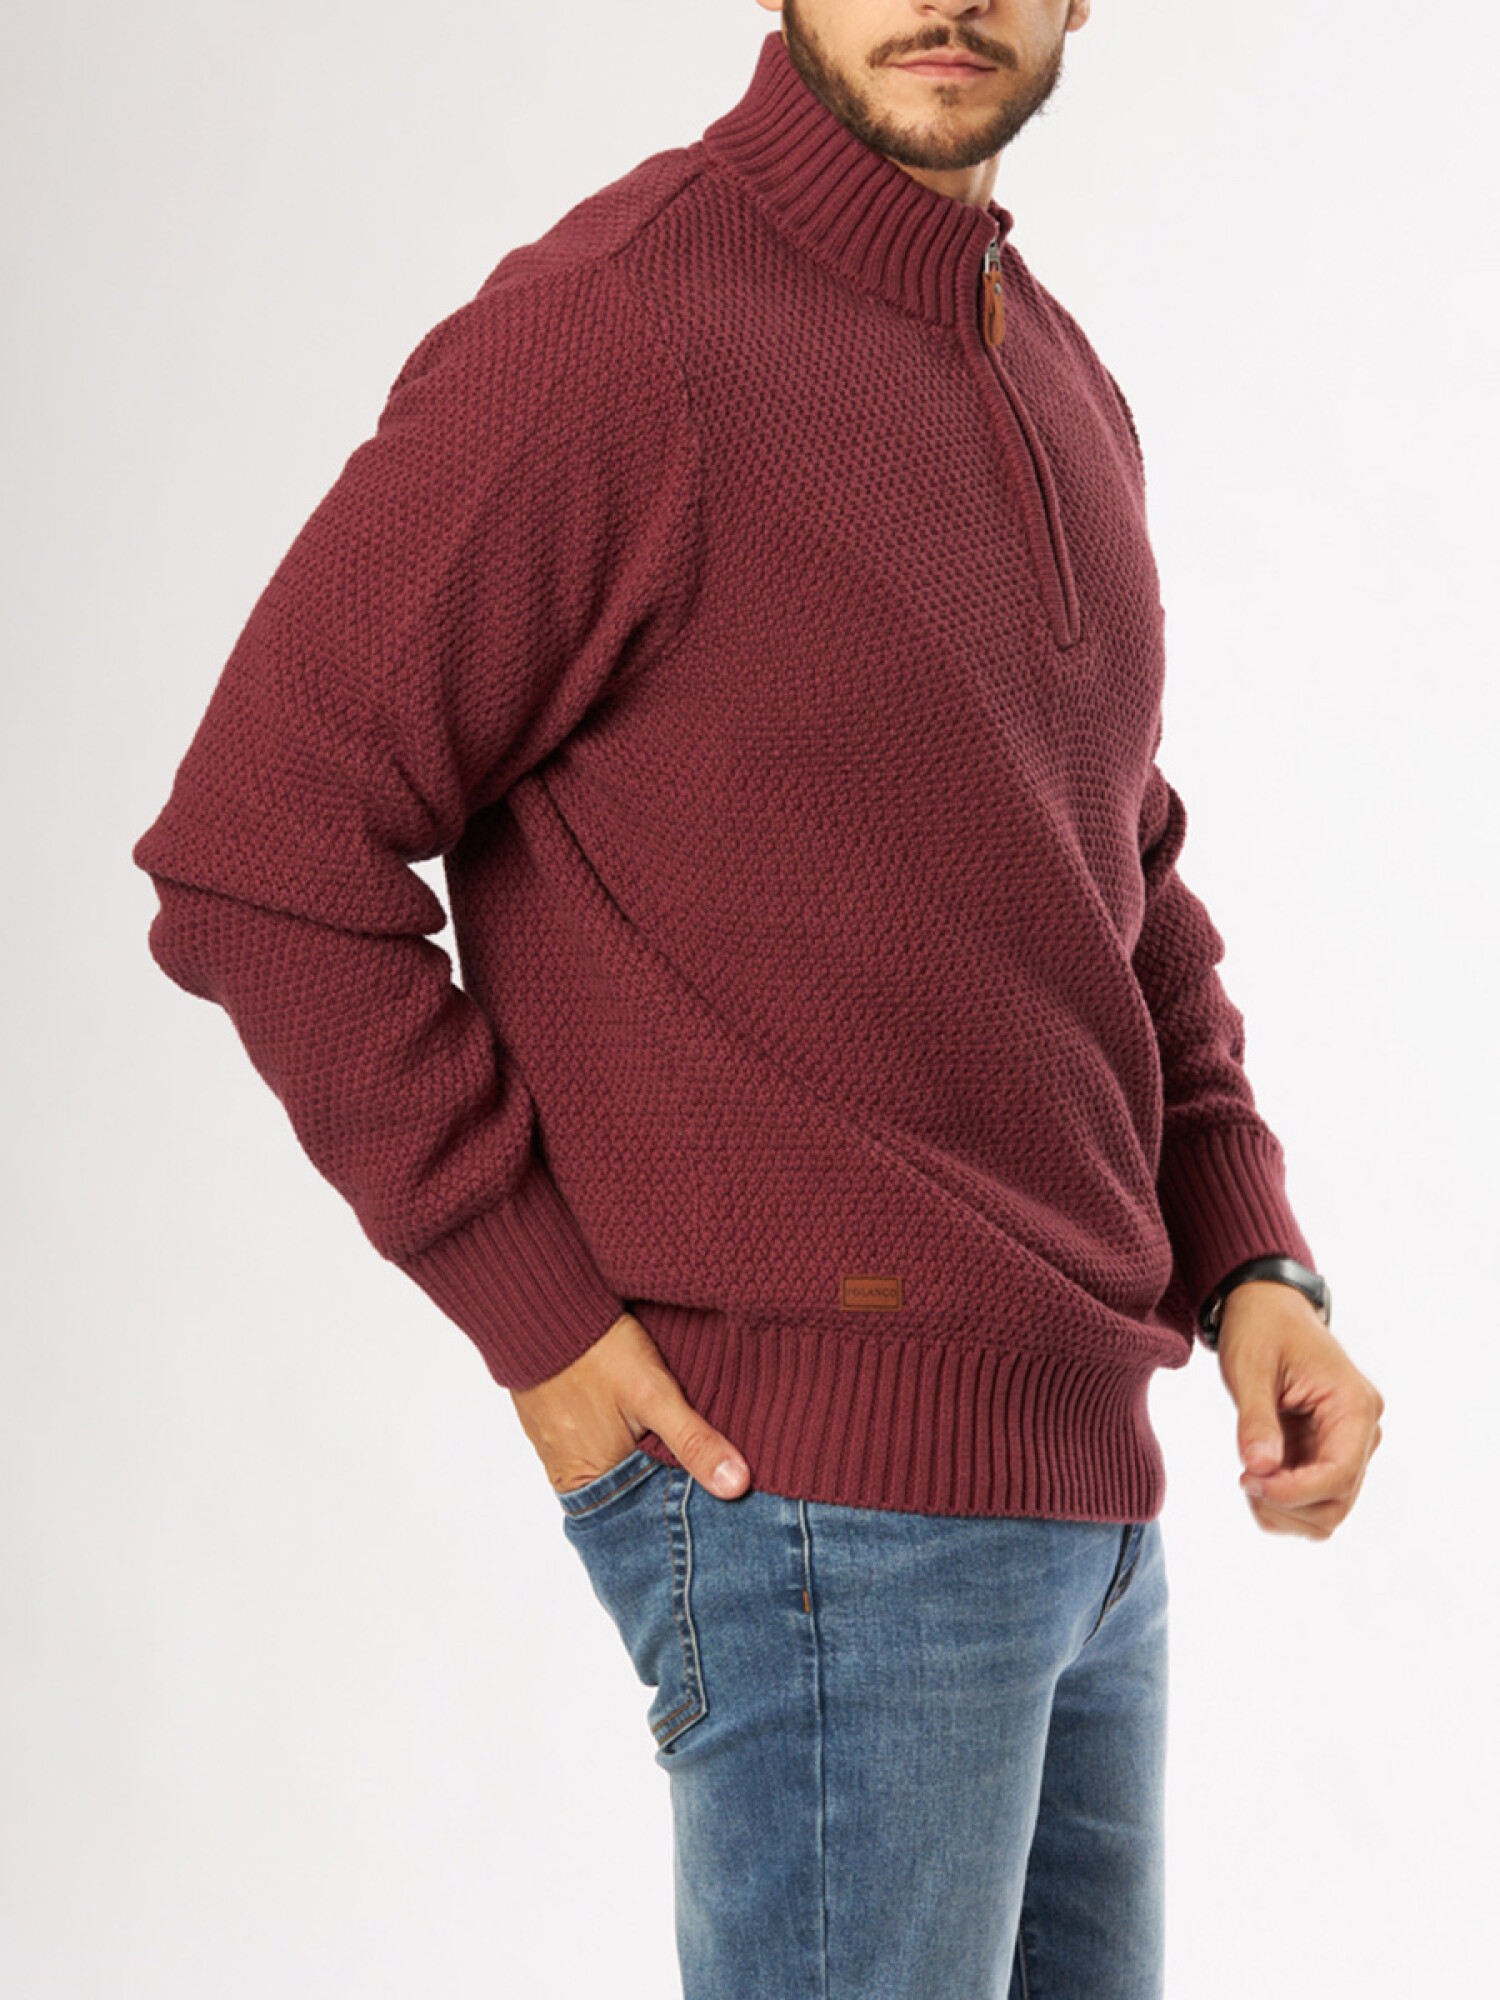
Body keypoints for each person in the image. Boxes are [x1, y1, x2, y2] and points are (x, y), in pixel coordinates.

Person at [132, 4, 1385, 1993]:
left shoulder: (1055, 369)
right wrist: (538, 1315)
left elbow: (1114, 869)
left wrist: (1252, 1265)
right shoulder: (617, 332)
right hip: (818, 1512)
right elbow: (257, 851)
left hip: (1092, 1501)